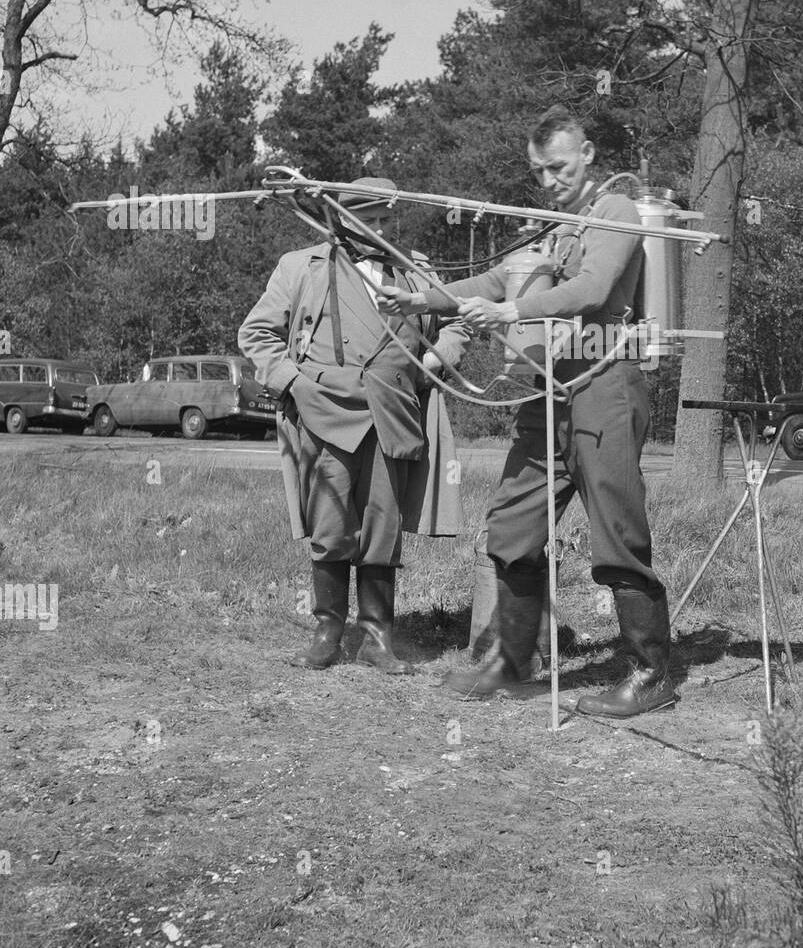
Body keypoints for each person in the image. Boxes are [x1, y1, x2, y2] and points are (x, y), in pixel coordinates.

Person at [381, 106, 676, 719]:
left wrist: (517, 314)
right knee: (513, 524)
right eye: (539, 171)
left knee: (616, 531)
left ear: (588, 153)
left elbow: (594, 289)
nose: (548, 182)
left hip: (603, 384)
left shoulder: (615, 212)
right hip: (546, 394)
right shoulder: (552, 224)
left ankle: (650, 672)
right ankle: (513, 664)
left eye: (559, 167)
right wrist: (427, 297)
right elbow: (494, 280)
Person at [239, 177, 469, 674]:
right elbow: (256, 332)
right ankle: (327, 632)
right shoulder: (301, 266)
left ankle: (377, 639)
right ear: (342, 217)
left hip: (395, 412)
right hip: (325, 413)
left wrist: (440, 358)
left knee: (383, 526)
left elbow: (457, 319)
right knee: (331, 522)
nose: (381, 228)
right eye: (370, 219)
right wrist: (291, 383)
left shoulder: (417, 270)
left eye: (387, 219)